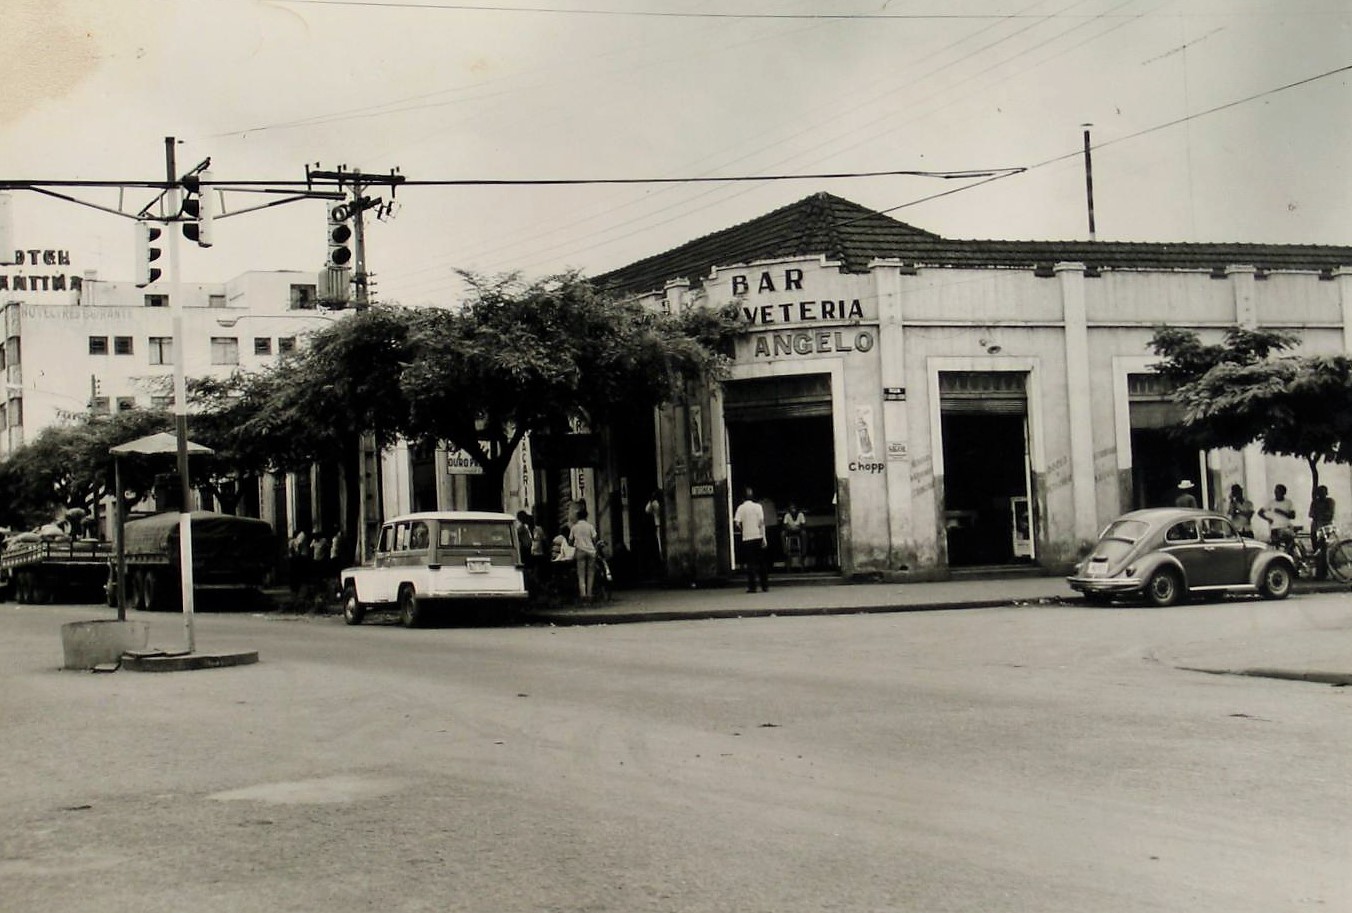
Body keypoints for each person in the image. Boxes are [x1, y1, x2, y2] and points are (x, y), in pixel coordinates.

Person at [734, 486, 769, 593]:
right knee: (761, 563)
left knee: (750, 563)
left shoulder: (740, 508)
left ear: (742, 498)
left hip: (747, 538)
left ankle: (752, 587)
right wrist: (764, 538)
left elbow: (737, 523)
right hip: (758, 536)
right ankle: (764, 586)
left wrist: (743, 529)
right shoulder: (758, 507)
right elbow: (761, 523)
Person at [569, 504, 600, 603]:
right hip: (591, 551)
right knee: (591, 573)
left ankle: (583, 594)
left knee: (581, 574)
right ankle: (590, 594)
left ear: (578, 517)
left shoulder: (574, 527)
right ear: (586, 516)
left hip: (580, 551)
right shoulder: (590, 526)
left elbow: (570, 541)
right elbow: (595, 539)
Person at [1309, 485, 1336, 577]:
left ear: (1326, 493)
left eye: (1323, 493)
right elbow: (1311, 514)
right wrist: (1319, 515)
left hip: (1325, 528)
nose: (1321, 495)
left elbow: (1330, 514)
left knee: (1323, 550)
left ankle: (1323, 573)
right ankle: (1318, 572)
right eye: (1319, 493)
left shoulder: (1330, 501)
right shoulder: (1314, 503)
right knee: (1316, 550)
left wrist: (1319, 515)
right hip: (1315, 528)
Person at [1258, 484, 1296, 549]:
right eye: (1275, 492)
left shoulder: (1288, 502)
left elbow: (1292, 516)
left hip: (1286, 527)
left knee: (1290, 545)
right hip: (1275, 528)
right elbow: (1260, 512)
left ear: (1284, 493)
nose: (1276, 494)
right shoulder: (1271, 502)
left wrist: (1282, 512)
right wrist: (1268, 519)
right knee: (1275, 546)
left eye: (1278, 492)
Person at [782, 502, 807, 571]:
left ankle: (803, 554)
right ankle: (785, 552)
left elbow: (803, 525)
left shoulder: (800, 514)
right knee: (783, 534)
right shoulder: (787, 515)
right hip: (790, 531)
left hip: (798, 531)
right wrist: (789, 528)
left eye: (794, 508)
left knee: (804, 533)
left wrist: (798, 528)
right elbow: (785, 525)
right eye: (791, 509)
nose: (793, 510)